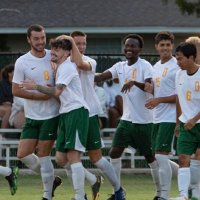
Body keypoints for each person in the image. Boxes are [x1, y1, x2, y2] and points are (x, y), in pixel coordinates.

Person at [56, 32, 126, 200]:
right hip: (68, 113)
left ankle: (117, 190)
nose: (81, 47)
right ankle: (88, 185)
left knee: (96, 158)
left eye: (83, 43)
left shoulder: (89, 61)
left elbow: (79, 63)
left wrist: (70, 40)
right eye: (77, 43)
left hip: (88, 113)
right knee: (61, 158)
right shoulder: (62, 63)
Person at [22, 36, 90, 200]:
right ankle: (91, 181)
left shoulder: (67, 67)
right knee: (60, 158)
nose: (53, 52)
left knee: (73, 156)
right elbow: (59, 94)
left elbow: (57, 92)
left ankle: (80, 196)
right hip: (66, 113)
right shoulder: (60, 68)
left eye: (58, 49)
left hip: (76, 112)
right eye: (52, 49)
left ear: (67, 53)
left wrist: (36, 87)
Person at [95, 33, 160, 200]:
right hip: (126, 120)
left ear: (140, 49)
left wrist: (133, 82)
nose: (129, 48)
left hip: (145, 121)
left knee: (151, 158)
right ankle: (118, 191)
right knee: (114, 152)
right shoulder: (120, 66)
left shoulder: (145, 65)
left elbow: (150, 88)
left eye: (133, 46)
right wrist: (81, 73)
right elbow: (101, 77)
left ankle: (160, 193)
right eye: (127, 45)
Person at [12, 24, 61, 200]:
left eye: (42, 38)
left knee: (43, 154)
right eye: (36, 39)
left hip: (51, 115)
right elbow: (16, 91)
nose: (40, 42)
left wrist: (51, 91)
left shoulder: (54, 57)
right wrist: (40, 96)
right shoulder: (22, 62)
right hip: (32, 116)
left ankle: (47, 195)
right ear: (29, 40)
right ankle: (52, 179)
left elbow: (62, 84)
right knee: (23, 154)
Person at [144, 31, 179, 200]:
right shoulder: (156, 66)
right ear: (156, 47)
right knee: (159, 159)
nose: (165, 48)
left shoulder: (177, 66)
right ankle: (189, 176)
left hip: (170, 117)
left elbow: (180, 95)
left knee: (161, 156)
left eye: (168, 45)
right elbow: (155, 91)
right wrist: (150, 92)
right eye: (162, 45)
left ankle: (164, 195)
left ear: (172, 46)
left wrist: (158, 100)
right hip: (156, 117)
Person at [170, 42, 200, 200]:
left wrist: (194, 120)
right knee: (183, 159)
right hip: (185, 125)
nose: (177, 62)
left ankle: (195, 192)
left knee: (198, 159)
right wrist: (177, 122)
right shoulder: (178, 75)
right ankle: (183, 195)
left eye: (180, 59)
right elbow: (179, 100)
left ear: (191, 57)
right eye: (177, 58)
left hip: (197, 123)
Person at [185, 36, 200, 200]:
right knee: (191, 156)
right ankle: (193, 190)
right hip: (189, 120)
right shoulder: (183, 73)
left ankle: (194, 189)